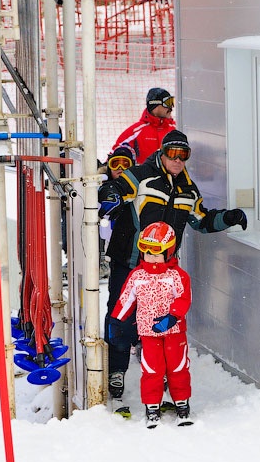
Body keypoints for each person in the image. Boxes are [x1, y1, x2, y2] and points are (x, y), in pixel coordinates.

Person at [98, 130, 248, 406]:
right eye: (173, 154)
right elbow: (114, 188)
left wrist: (228, 217)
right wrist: (109, 196)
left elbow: (202, 221)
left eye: (184, 155)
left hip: (163, 269)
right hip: (130, 260)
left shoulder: (188, 190)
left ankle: (161, 372)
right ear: (163, 153)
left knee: (163, 319)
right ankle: (117, 369)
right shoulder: (142, 175)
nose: (178, 160)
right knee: (120, 315)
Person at [110, 222, 193, 428]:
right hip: (148, 333)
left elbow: (184, 299)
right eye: (146, 251)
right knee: (152, 370)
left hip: (174, 331)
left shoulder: (177, 276)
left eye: (156, 252)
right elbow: (126, 299)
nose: (150, 256)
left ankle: (182, 403)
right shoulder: (137, 275)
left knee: (178, 368)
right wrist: (116, 321)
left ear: (169, 252)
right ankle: (152, 406)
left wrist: (172, 316)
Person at [98, 144, 137, 279]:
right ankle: (102, 261)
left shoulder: (140, 188)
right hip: (111, 242)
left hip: (131, 249)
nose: (120, 169)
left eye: (125, 164)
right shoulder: (102, 186)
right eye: (116, 164)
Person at [113, 87, 177, 164]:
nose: (171, 107)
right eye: (168, 102)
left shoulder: (176, 129)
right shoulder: (136, 131)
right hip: (145, 175)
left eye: (172, 102)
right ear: (154, 105)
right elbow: (114, 156)